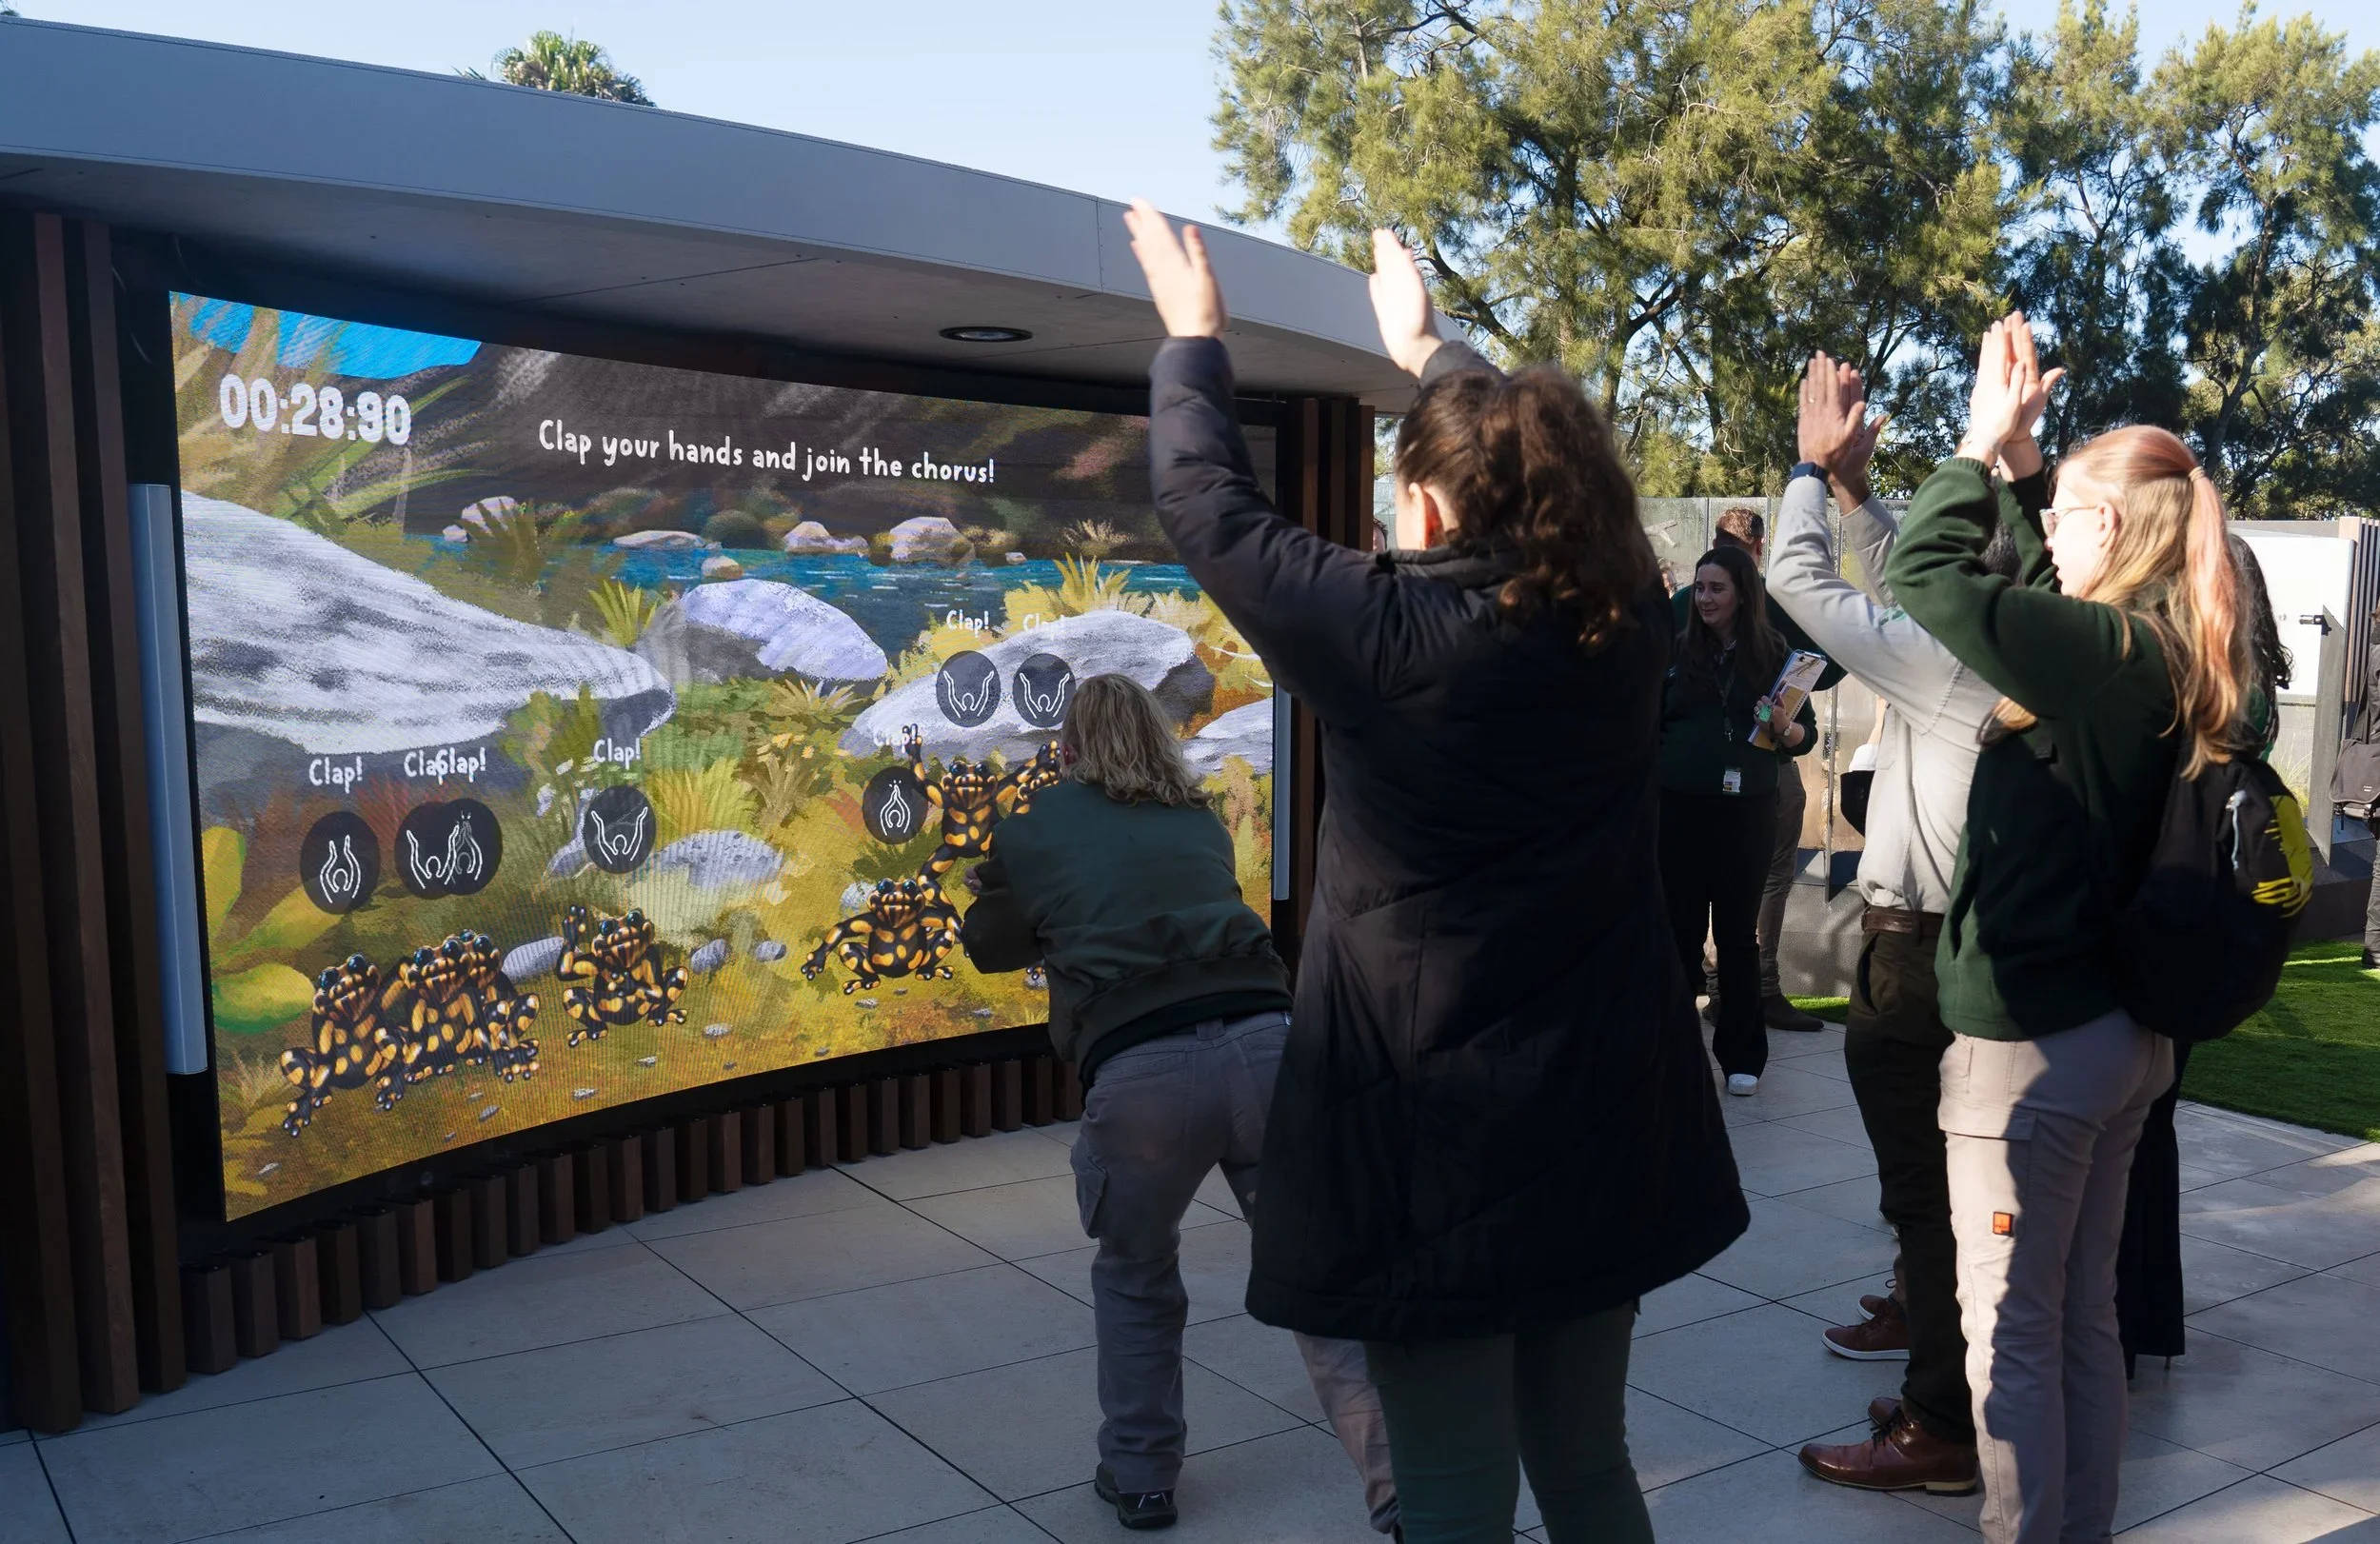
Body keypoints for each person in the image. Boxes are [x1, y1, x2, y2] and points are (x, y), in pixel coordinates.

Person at [1122, 201, 1748, 1544]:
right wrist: (1430, 353)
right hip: (1602, 1103)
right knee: (1587, 1459)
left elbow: (1205, 503)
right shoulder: (1626, 625)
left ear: (1422, 500)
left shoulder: (1384, 632)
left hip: (1431, 1137)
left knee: (1455, 1491)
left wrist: (1195, 339)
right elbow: (1508, 462)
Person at [1887, 312, 2260, 1544]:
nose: (2044, 528)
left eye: (2065, 514)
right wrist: (2028, 466)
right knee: (2080, 1319)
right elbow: (2043, 598)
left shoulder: (2101, 652)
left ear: (2119, 528)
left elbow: (1927, 573)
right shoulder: (2152, 644)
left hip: (2036, 1053)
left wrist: (1972, 446)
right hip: (2115, 1039)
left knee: (2014, 1334)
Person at [958, 673, 1396, 1535]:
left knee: (1137, 1273)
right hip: (1268, 1048)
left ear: (1068, 749)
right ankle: (1401, 1489)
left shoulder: (1037, 823)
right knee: (1316, 1275)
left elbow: (991, 946)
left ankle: (1143, 1477)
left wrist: (992, 883)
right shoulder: (1198, 818)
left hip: (1142, 1075)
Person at [1766, 351, 2009, 1495]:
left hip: (1918, 953)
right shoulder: (2009, 639)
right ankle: (1948, 1389)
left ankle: (1937, 1427)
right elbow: (1906, 572)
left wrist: (1808, 472)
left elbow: (1797, 579)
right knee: (1950, 1196)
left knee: (1926, 1200)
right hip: (1964, 941)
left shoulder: (1942, 657)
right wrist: (1860, 493)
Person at [1672, 509, 1840, 1035]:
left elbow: (1826, 670)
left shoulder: (1775, 613)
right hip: (1687, 787)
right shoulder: (1683, 615)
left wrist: (1786, 713)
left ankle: (1753, 994)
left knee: (1756, 888)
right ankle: (1722, 993)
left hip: (1762, 768)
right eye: (1703, 585)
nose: (1707, 597)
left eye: (1720, 585)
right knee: (1692, 902)